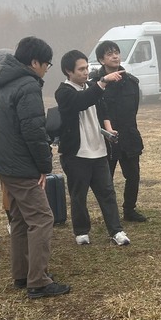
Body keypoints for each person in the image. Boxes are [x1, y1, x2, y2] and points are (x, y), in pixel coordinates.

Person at [0, 36, 70, 299]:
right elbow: (34, 131)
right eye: (47, 63)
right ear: (34, 62)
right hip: (21, 165)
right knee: (43, 218)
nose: (47, 68)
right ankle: (39, 281)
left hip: (6, 164)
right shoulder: (28, 86)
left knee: (22, 219)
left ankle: (22, 274)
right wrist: (44, 167)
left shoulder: (6, 83)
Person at [54, 50, 130, 246]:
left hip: (98, 150)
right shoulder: (63, 92)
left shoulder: (90, 86)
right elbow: (82, 102)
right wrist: (103, 82)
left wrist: (108, 129)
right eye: (81, 69)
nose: (86, 72)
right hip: (76, 153)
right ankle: (81, 231)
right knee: (79, 194)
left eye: (87, 68)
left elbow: (101, 109)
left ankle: (116, 230)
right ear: (68, 71)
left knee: (107, 192)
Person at [97, 41, 147, 222]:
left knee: (133, 176)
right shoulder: (96, 84)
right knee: (105, 180)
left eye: (117, 52)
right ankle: (110, 214)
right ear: (101, 59)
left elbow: (134, 108)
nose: (115, 56)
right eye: (109, 54)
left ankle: (130, 210)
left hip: (129, 135)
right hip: (106, 138)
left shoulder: (131, 82)